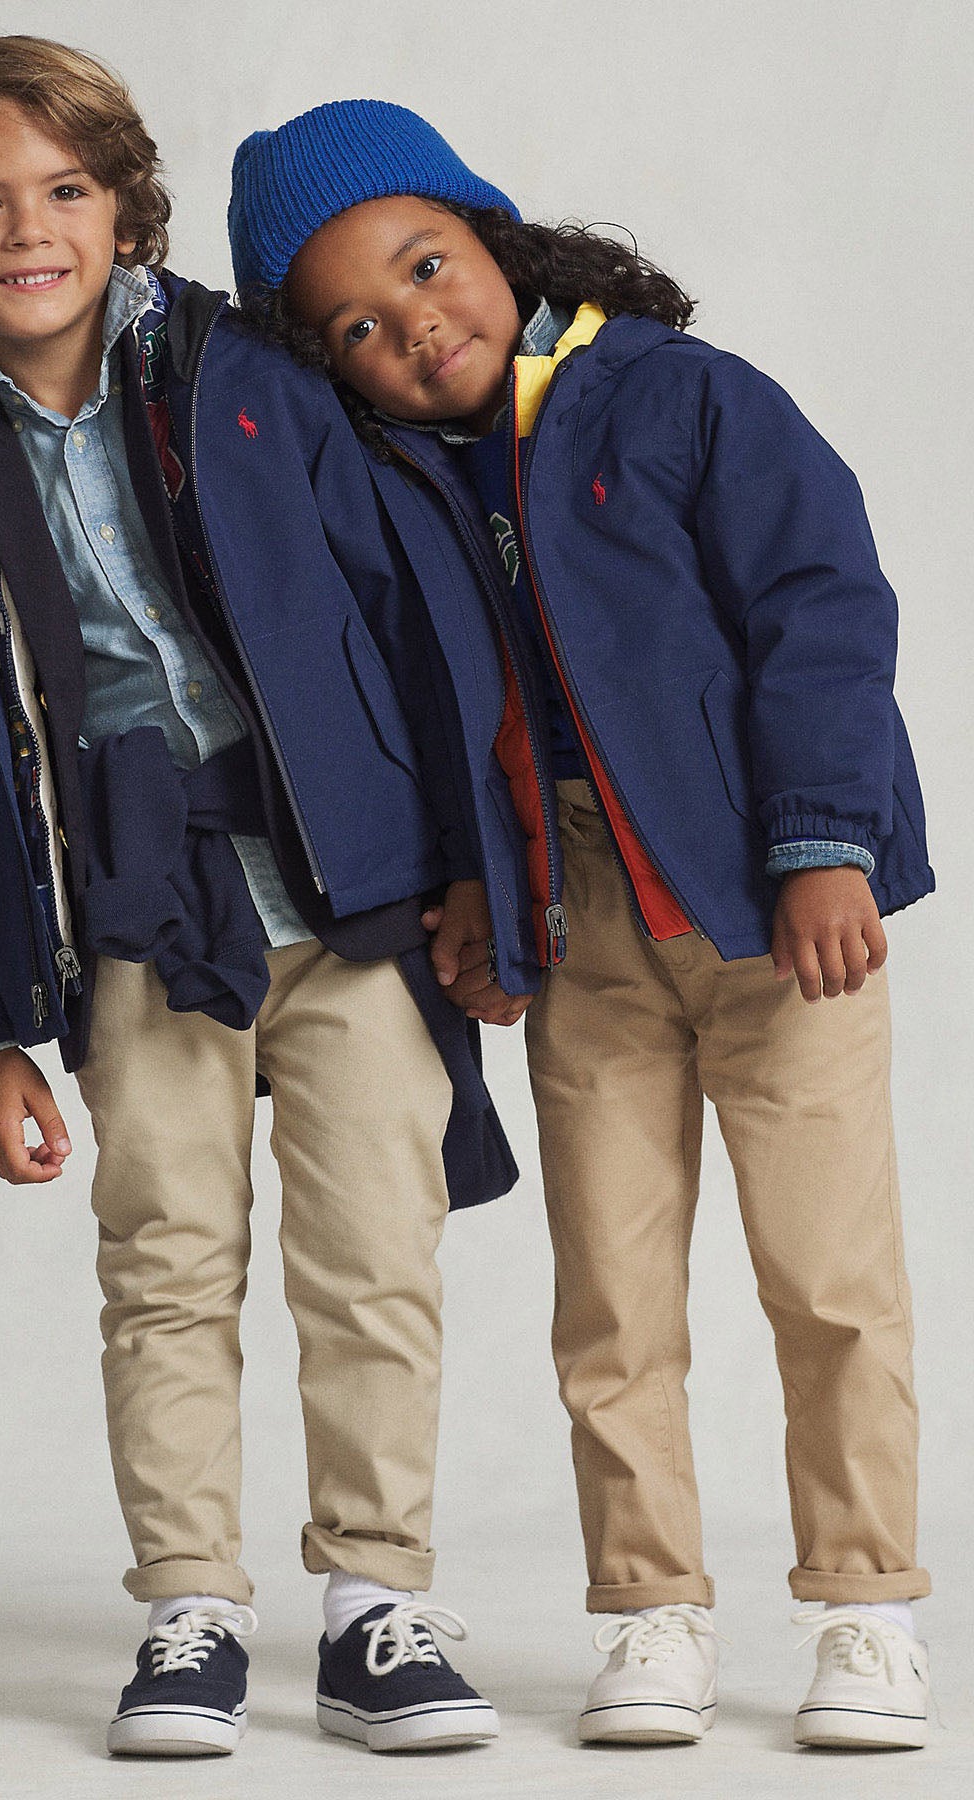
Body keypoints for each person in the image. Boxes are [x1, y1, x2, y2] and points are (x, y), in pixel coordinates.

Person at [0, 46, 522, 1759]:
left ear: (125, 209)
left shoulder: (254, 372)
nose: (30, 230)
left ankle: (374, 1606)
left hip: (350, 894)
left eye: (66, 190)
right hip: (137, 913)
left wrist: (475, 871)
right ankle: (189, 1604)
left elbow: (417, 615)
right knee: (165, 1260)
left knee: (375, 1252)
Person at [227, 98, 936, 1750]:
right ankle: (649, 1610)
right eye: (359, 327)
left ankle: (867, 1608)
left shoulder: (682, 396)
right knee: (612, 1300)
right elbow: (448, 710)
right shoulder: (402, 482)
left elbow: (823, 609)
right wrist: (482, 885)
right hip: (583, 939)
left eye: (426, 265)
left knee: (830, 1279)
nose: (415, 327)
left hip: (770, 911)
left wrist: (824, 843)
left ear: (494, 235)